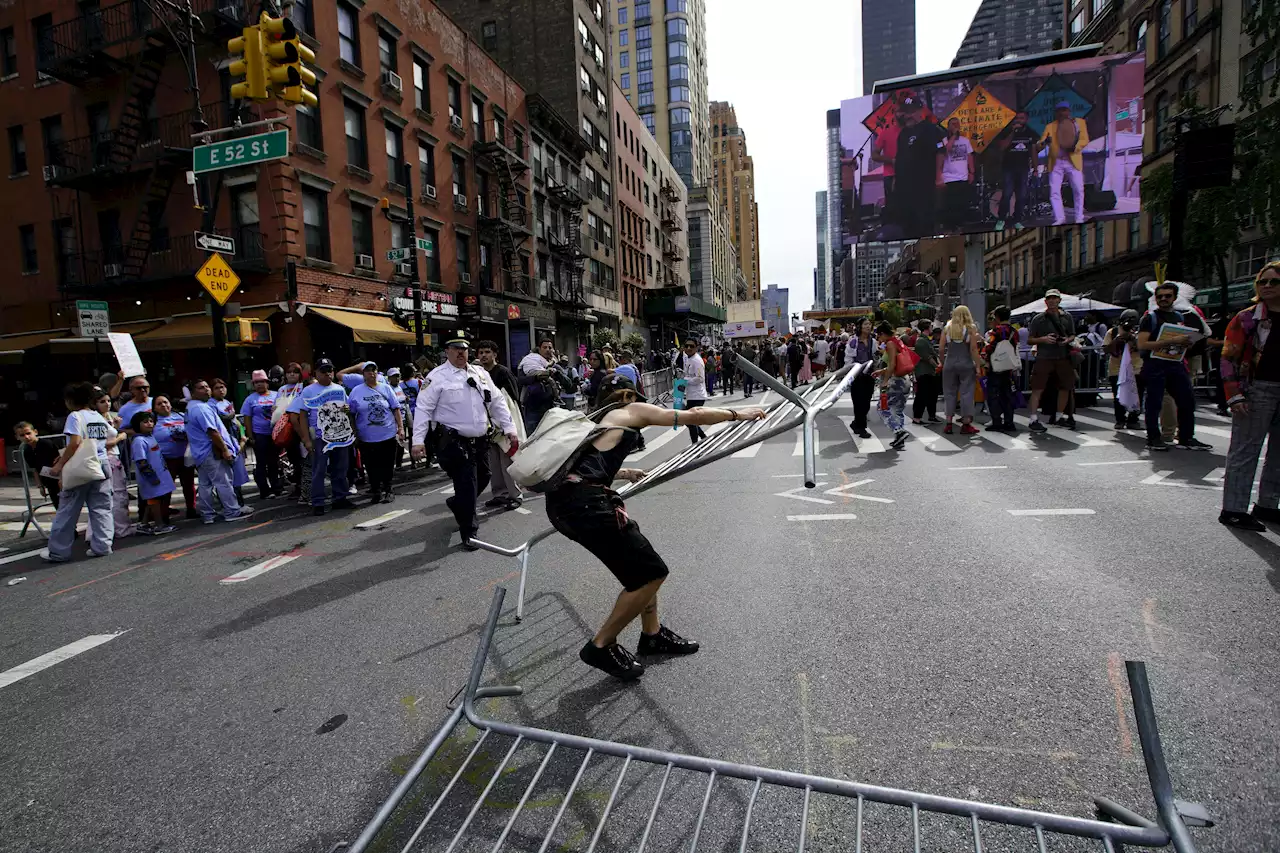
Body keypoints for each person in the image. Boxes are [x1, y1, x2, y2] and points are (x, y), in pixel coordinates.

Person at [547, 373, 767, 680]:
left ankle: (652, 635)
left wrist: (622, 472)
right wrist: (738, 413)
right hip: (588, 506)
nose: (639, 400)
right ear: (627, 395)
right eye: (635, 394)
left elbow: (583, 466)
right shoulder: (631, 410)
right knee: (652, 573)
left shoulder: (597, 421)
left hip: (565, 506)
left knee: (641, 568)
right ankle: (600, 645)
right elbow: (694, 415)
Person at [411, 332, 518, 549]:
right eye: (455, 348)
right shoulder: (437, 377)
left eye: (464, 348)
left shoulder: (479, 373)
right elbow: (423, 409)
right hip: (453, 442)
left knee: (484, 476)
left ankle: (457, 503)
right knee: (467, 485)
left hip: (480, 441)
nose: (461, 352)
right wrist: (417, 441)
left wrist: (510, 428)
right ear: (447, 352)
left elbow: (497, 401)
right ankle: (469, 533)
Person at [1219, 261, 1280, 529]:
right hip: (1256, 389)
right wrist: (1235, 395)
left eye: (1273, 282)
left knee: (1279, 453)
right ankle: (1233, 510)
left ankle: (1268, 505)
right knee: (1245, 450)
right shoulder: (1246, 318)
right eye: (1262, 282)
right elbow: (1228, 359)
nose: (1266, 286)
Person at [1137, 281, 1212, 452]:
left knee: (1187, 401)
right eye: (1159, 296)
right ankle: (1153, 438)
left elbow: (1183, 341)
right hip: (1155, 365)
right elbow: (1142, 344)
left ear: (1175, 297)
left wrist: (1186, 344)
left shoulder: (1179, 317)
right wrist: (1172, 341)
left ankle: (1186, 437)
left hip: (1175, 364)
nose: (1163, 299)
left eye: (1167, 296)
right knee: (1154, 403)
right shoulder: (1150, 318)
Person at [45, 382, 115, 562]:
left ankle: (58, 552)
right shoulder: (98, 417)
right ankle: (102, 546)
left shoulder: (75, 417)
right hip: (102, 464)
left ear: (70, 400)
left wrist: (59, 465)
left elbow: (75, 443)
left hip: (82, 467)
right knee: (102, 508)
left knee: (67, 510)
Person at [289, 358, 355, 515]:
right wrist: (306, 439)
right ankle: (318, 502)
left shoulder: (339, 389)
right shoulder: (309, 390)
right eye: (323, 371)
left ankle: (340, 498)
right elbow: (302, 416)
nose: (328, 374)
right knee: (319, 470)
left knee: (341, 468)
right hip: (320, 438)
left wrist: (347, 411)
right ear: (316, 373)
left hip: (340, 435)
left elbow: (347, 410)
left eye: (330, 370)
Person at [186, 380, 253, 523]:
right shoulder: (200, 408)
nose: (206, 390)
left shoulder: (192, 407)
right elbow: (212, 431)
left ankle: (208, 514)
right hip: (211, 452)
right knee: (224, 482)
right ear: (192, 393)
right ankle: (232, 511)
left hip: (201, 453)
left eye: (206, 386)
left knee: (205, 484)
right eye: (201, 388)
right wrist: (225, 449)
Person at [476, 340, 525, 510]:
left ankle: (515, 495)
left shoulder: (503, 373)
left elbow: (511, 402)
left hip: (504, 426)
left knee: (507, 461)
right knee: (494, 463)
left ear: (495, 355)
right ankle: (499, 494)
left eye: (487, 352)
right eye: (481, 352)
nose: (483, 356)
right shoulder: (478, 374)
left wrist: (507, 426)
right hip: (488, 427)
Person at [347, 361, 404, 504]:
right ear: (363, 374)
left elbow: (395, 408)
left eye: (374, 370)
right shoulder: (356, 391)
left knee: (387, 464)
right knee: (371, 465)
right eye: (368, 371)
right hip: (366, 436)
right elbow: (352, 414)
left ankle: (388, 490)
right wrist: (354, 433)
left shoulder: (386, 388)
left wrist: (401, 428)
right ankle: (376, 490)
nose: (371, 373)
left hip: (387, 433)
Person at [892, 95, 946, 237]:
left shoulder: (930, 129)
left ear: (919, 111)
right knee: (907, 224)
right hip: (904, 187)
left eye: (910, 111)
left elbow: (940, 151)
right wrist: (895, 180)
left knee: (924, 222)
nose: (907, 116)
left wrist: (939, 176)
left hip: (924, 184)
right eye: (905, 112)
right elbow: (899, 157)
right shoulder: (903, 133)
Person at [1026, 289, 1077, 432]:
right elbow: (1030, 340)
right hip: (1044, 357)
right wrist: (1043, 339)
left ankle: (1060, 416)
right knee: (1037, 388)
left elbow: (1073, 334)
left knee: (1065, 386)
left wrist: (1066, 340)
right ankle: (1033, 418)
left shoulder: (1067, 317)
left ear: (1059, 300)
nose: (1052, 301)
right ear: (1045, 301)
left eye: (1055, 298)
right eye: (1050, 298)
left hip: (1062, 356)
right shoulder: (1038, 319)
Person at [1039, 100, 1088, 226]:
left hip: (1073, 160)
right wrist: (1044, 142)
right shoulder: (1050, 126)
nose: (1062, 113)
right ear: (1056, 113)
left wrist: (1075, 148)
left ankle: (1079, 217)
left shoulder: (1079, 123)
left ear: (1068, 111)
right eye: (1059, 111)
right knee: (1054, 191)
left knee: (1078, 189)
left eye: (1064, 110)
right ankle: (1059, 218)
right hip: (1056, 162)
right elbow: (1040, 143)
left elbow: (1084, 140)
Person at [129, 411, 177, 535]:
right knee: (154, 501)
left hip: (159, 475)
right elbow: (141, 461)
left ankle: (144, 524)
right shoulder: (139, 441)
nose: (149, 424)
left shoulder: (150, 437)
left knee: (152, 501)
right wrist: (151, 476)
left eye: (151, 421)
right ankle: (159, 524)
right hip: (150, 477)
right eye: (145, 422)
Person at [94, 387, 134, 538]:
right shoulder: (96, 420)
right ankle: (119, 529)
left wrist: (116, 428)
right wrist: (119, 437)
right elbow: (101, 443)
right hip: (107, 459)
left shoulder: (109, 417)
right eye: (102, 401)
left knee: (114, 496)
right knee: (115, 496)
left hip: (113, 458)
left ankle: (113, 529)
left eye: (108, 401)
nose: (107, 404)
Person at [939, 306, 981, 435]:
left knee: (949, 393)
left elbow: (941, 349)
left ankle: (949, 423)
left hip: (950, 364)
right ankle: (966, 423)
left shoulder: (947, 328)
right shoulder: (970, 328)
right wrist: (978, 366)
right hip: (966, 364)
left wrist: (942, 362)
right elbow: (973, 349)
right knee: (966, 393)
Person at [241, 370, 282, 499]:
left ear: (267, 383)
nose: (259, 385)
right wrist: (250, 436)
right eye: (256, 383)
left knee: (274, 462)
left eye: (262, 382)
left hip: (275, 434)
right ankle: (264, 490)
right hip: (259, 435)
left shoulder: (277, 395)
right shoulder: (249, 399)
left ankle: (277, 488)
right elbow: (247, 418)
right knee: (261, 463)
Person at [994, 111, 1038, 232]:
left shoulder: (1030, 133)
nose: (1019, 120)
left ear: (1026, 120)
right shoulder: (1007, 131)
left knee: (1022, 195)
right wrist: (1013, 132)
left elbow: (1033, 151)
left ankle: (1017, 220)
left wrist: (1035, 168)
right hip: (1008, 167)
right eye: (1017, 118)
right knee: (1007, 194)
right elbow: (1002, 146)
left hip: (1023, 168)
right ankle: (1001, 219)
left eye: (1021, 118)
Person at [873, 322, 911, 450]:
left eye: (879, 336)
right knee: (898, 410)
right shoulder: (898, 341)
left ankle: (898, 431)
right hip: (905, 379)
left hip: (895, 381)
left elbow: (892, 365)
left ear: (883, 334)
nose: (879, 340)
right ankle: (899, 439)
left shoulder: (890, 343)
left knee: (882, 408)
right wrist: (882, 371)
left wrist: (885, 380)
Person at [1104, 310, 1144, 429]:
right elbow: (1105, 349)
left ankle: (1133, 419)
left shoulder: (1141, 332)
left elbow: (1144, 348)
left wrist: (1133, 339)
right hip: (1117, 369)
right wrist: (1117, 340)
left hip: (1136, 368)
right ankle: (1120, 420)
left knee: (1138, 395)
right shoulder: (1112, 332)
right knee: (1118, 395)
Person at [982, 306, 1019, 433]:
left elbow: (990, 348)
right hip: (1009, 367)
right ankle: (1009, 422)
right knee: (1008, 395)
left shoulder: (996, 331)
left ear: (997, 317)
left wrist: (985, 346)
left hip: (995, 367)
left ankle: (996, 421)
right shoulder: (1014, 331)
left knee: (993, 395)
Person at [517, 338, 560, 435]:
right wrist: (536, 378)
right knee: (533, 435)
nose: (547, 349)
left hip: (550, 407)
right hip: (532, 406)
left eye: (550, 347)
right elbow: (520, 380)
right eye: (545, 347)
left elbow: (567, 384)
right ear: (539, 349)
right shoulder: (529, 362)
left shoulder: (555, 365)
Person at [938, 117, 975, 232]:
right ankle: (950, 226)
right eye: (953, 124)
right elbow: (946, 150)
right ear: (948, 127)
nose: (955, 126)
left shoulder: (965, 140)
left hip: (963, 176)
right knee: (950, 204)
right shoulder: (944, 141)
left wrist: (972, 171)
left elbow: (970, 156)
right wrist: (953, 136)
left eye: (957, 124)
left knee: (961, 203)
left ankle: (960, 225)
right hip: (949, 177)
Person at [15, 421, 61, 510]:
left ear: (35, 432)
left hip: (60, 479)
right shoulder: (27, 450)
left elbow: (59, 460)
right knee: (58, 507)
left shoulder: (46, 444)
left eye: (28, 433)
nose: (26, 437)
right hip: (48, 481)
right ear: (17, 437)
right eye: (22, 435)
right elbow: (35, 468)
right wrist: (40, 485)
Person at [277, 363, 306, 499]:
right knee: (294, 459)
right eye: (289, 372)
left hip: (303, 426)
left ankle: (307, 486)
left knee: (306, 458)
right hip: (288, 428)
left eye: (295, 372)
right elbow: (276, 407)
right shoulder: (282, 389)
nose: (292, 374)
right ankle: (299, 487)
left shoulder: (304, 387)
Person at [845, 318, 877, 438]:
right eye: (865, 324)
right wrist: (850, 375)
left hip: (869, 375)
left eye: (869, 324)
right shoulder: (853, 341)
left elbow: (874, 356)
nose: (868, 326)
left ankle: (856, 423)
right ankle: (862, 428)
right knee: (859, 402)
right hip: (857, 376)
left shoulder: (873, 341)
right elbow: (848, 359)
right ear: (860, 327)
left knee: (867, 402)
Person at [678, 339, 708, 444]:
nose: (689, 348)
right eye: (687, 346)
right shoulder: (688, 359)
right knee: (689, 421)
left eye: (692, 346)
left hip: (697, 395)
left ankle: (695, 445)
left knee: (690, 421)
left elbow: (700, 378)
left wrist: (685, 381)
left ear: (696, 347)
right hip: (691, 395)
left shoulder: (697, 360)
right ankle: (703, 437)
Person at [911, 319, 941, 424]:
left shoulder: (926, 340)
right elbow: (927, 357)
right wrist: (937, 366)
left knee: (932, 394)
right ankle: (917, 417)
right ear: (927, 328)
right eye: (931, 326)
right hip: (923, 372)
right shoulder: (921, 341)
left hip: (930, 372)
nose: (932, 328)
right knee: (922, 394)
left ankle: (932, 415)